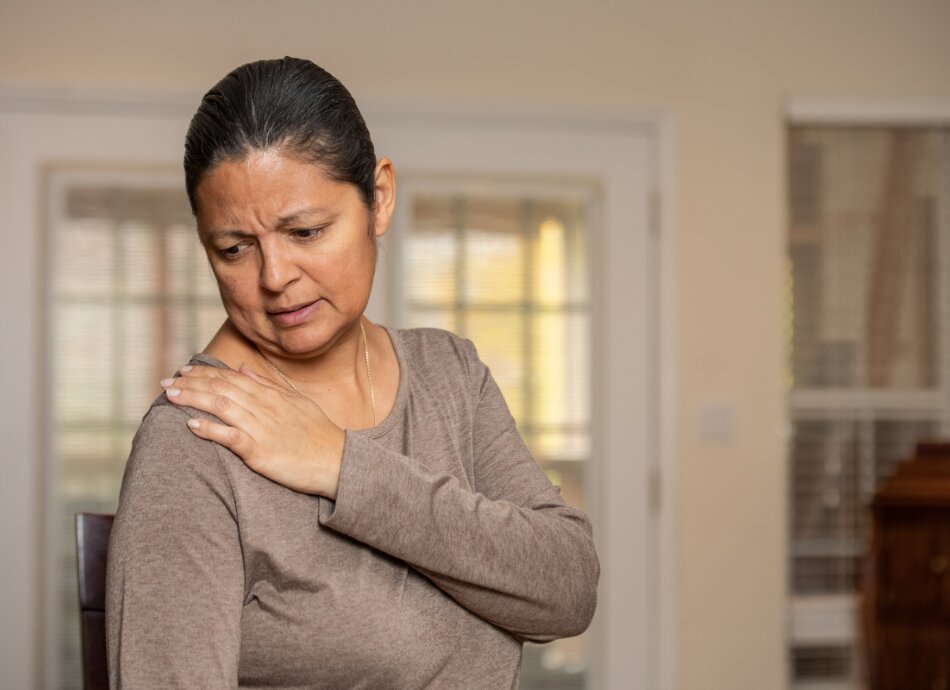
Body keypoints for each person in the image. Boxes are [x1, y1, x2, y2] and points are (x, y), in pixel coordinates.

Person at [105, 57, 599, 689]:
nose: (274, 276)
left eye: (306, 231)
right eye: (234, 248)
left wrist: (342, 465)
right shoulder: (193, 444)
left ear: (379, 198)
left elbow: (567, 589)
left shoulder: (449, 374)